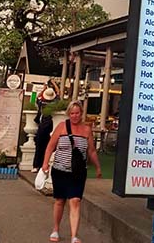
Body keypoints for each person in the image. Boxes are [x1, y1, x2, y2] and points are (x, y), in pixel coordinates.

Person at [42, 101, 102, 243]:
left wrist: (98, 167)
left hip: (78, 172)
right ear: (69, 114)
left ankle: (74, 235)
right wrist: (45, 163)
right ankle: (55, 229)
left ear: (81, 113)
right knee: (60, 200)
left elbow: (91, 151)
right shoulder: (62, 127)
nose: (75, 116)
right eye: (72, 113)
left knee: (75, 200)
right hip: (60, 170)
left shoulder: (87, 130)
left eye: (78, 113)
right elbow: (50, 146)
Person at [32, 80, 60, 172]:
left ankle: (36, 165)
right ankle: (45, 164)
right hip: (50, 126)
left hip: (41, 125)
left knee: (39, 146)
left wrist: (44, 89)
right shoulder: (54, 103)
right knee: (49, 147)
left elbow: (38, 97)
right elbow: (58, 94)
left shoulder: (41, 103)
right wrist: (55, 85)